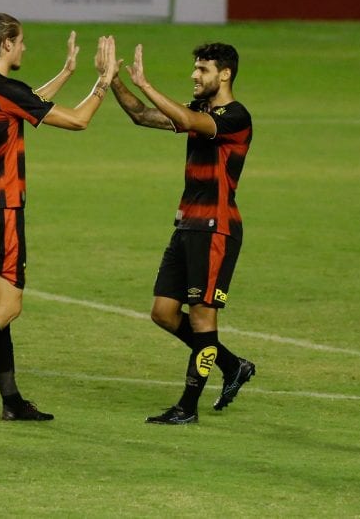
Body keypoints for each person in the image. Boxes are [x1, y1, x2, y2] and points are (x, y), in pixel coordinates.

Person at [0, 9, 121, 425]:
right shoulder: (3, 89)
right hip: (0, 207)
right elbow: (78, 120)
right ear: (7, 44)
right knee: (7, 306)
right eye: (22, 41)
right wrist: (104, 80)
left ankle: (11, 400)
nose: (25, 46)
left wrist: (66, 72)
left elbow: (24, 102)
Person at [109, 42, 255, 425]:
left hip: (217, 229)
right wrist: (114, 82)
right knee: (164, 312)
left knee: (203, 321)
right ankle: (231, 364)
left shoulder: (235, 117)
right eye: (195, 68)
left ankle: (187, 408)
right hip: (187, 224)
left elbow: (190, 124)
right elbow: (142, 116)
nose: (194, 75)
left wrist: (145, 82)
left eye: (202, 69)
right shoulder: (198, 111)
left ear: (224, 74)